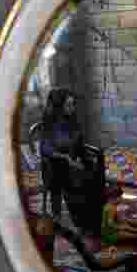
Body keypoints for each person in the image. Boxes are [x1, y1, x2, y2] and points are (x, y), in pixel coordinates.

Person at [40, 88, 96, 225]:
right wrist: (66, 158)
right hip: (55, 164)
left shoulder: (72, 119)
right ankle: (61, 213)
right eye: (69, 105)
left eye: (73, 104)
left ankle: (86, 210)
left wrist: (86, 159)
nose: (72, 108)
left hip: (71, 159)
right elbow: (45, 149)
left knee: (92, 166)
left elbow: (79, 142)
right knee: (63, 171)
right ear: (59, 106)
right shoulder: (49, 122)